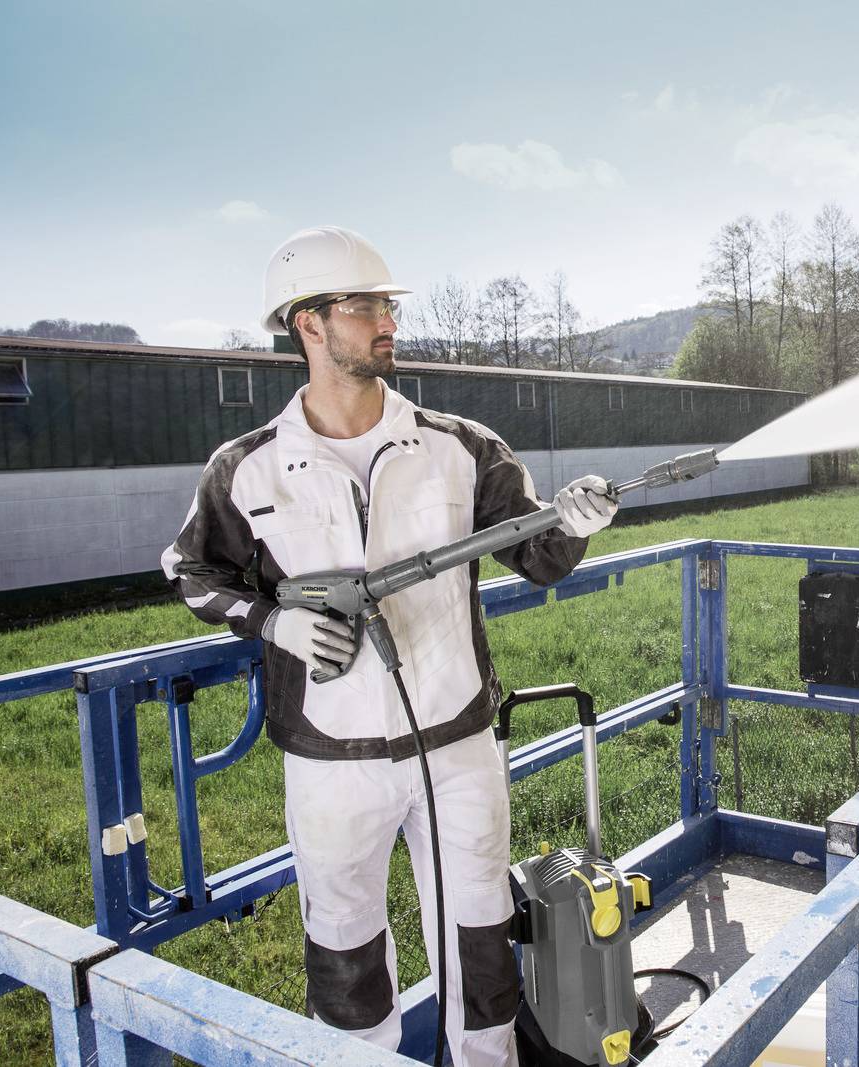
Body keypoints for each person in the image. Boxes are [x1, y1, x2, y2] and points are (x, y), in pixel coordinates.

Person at [161, 225, 616, 1065]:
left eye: (386, 304)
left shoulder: (460, 445)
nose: (386, 320)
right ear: (308, 323)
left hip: (458, 748)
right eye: (364, 305)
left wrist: (578, 522)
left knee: (481, 950)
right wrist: (275, 622)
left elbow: (540, 555)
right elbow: (189, 570)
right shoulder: (247, 468)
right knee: (345, 963)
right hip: (331, 766)